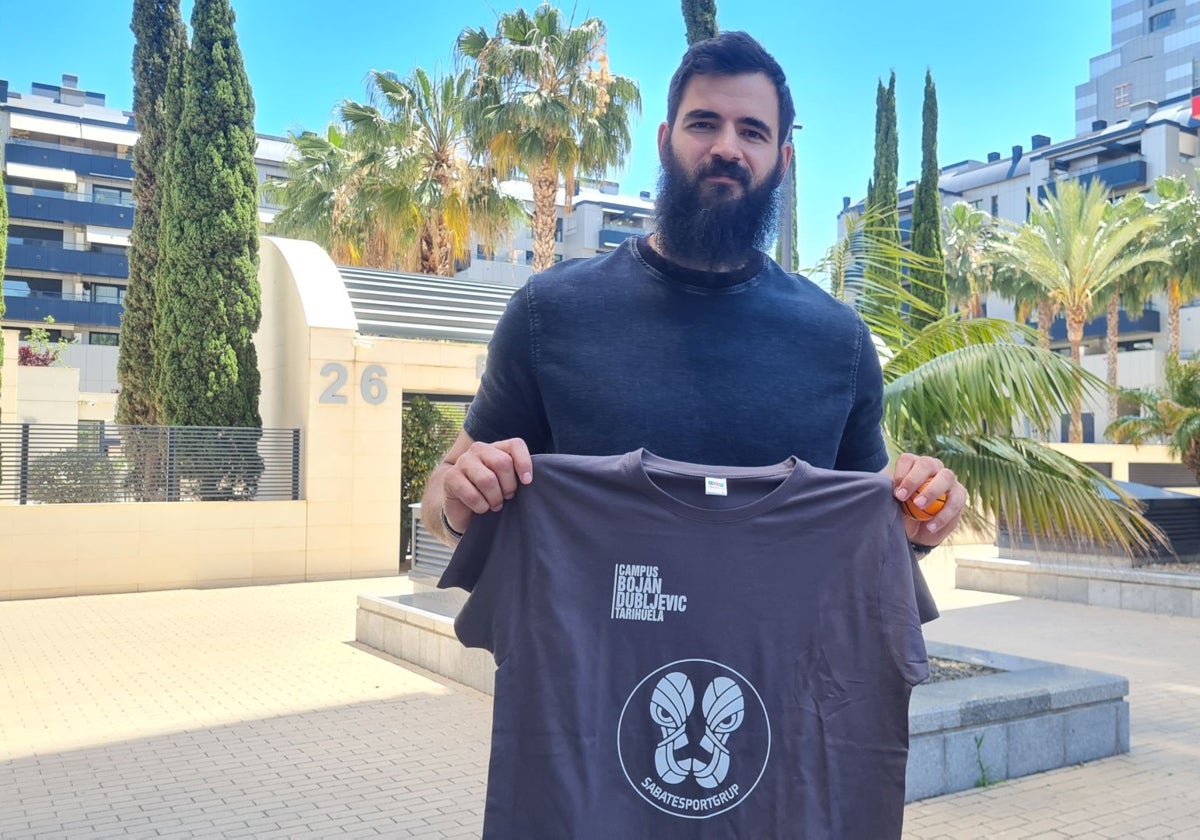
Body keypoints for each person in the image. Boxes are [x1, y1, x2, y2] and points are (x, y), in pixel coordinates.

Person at [422, 30, 966, 553]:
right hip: (589, 651)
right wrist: (458, 498)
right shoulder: (550, 313)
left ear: (783, 162)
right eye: (704, 123)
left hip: (781, 651)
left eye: (753, 131)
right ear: (664, 143)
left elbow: (874, 527)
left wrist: (922, 515)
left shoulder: (837, 340)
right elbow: (443, 505)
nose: (726, 148)